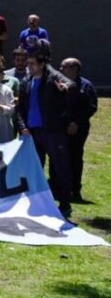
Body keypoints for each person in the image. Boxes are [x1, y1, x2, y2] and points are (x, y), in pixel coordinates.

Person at [17, 52, 74, 219]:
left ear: (42, 64)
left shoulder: (52, 77)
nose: (29, 66)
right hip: (32, 133)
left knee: (60, 167)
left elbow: (70, 83)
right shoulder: (26, 81)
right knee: (35, 169)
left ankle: (64, 204)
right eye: (28, 63)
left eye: (33, 63)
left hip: (52, 132)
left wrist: (66, 88)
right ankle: (37, 202)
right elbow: (20, 109)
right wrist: (22, 127)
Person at [59, 57, 97, 203]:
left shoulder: (86, 86)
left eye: (64, 66)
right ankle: (59, 189)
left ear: (74, 68)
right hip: (60, 128)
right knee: (60, 158)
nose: (61, 69)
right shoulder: (59, 83)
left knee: (75, 158)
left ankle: (75, 191)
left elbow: (92, 106)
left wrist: (76, 122)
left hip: (78, 129)